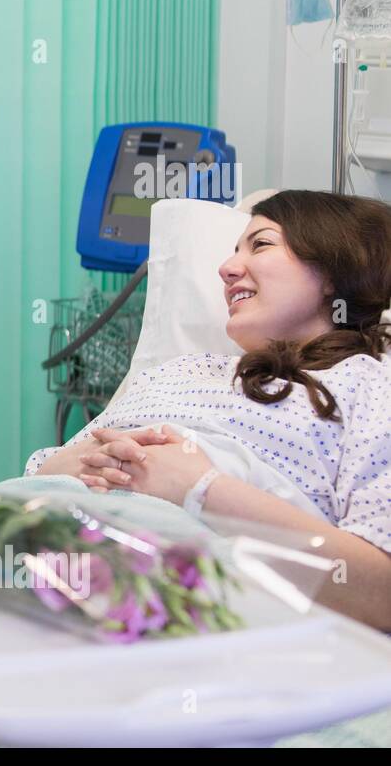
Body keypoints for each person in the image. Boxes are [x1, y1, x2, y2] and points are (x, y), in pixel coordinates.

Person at [28, 190, 391, 631]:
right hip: (42, 536)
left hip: (168, 586)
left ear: (335, 269)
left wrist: (200, 488)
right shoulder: (178, 371)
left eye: (261, 244)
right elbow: (46, 473)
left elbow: (381, 593)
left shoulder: (367, 384)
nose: (226, 269)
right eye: (234, 250)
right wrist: (73, 461)